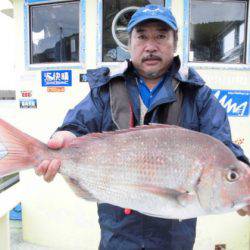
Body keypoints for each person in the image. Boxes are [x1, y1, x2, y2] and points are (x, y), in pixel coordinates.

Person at [35, 4, 250, 250]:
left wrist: (241, 184)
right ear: (130, 44)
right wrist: (64, 138)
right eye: (142, 36)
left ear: (175, 42)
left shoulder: (197, 95)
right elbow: (76, 124)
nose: (151, 46)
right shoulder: (106, 90)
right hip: (117, 234)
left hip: (174, 240)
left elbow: (225, 150)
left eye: (161, 35)